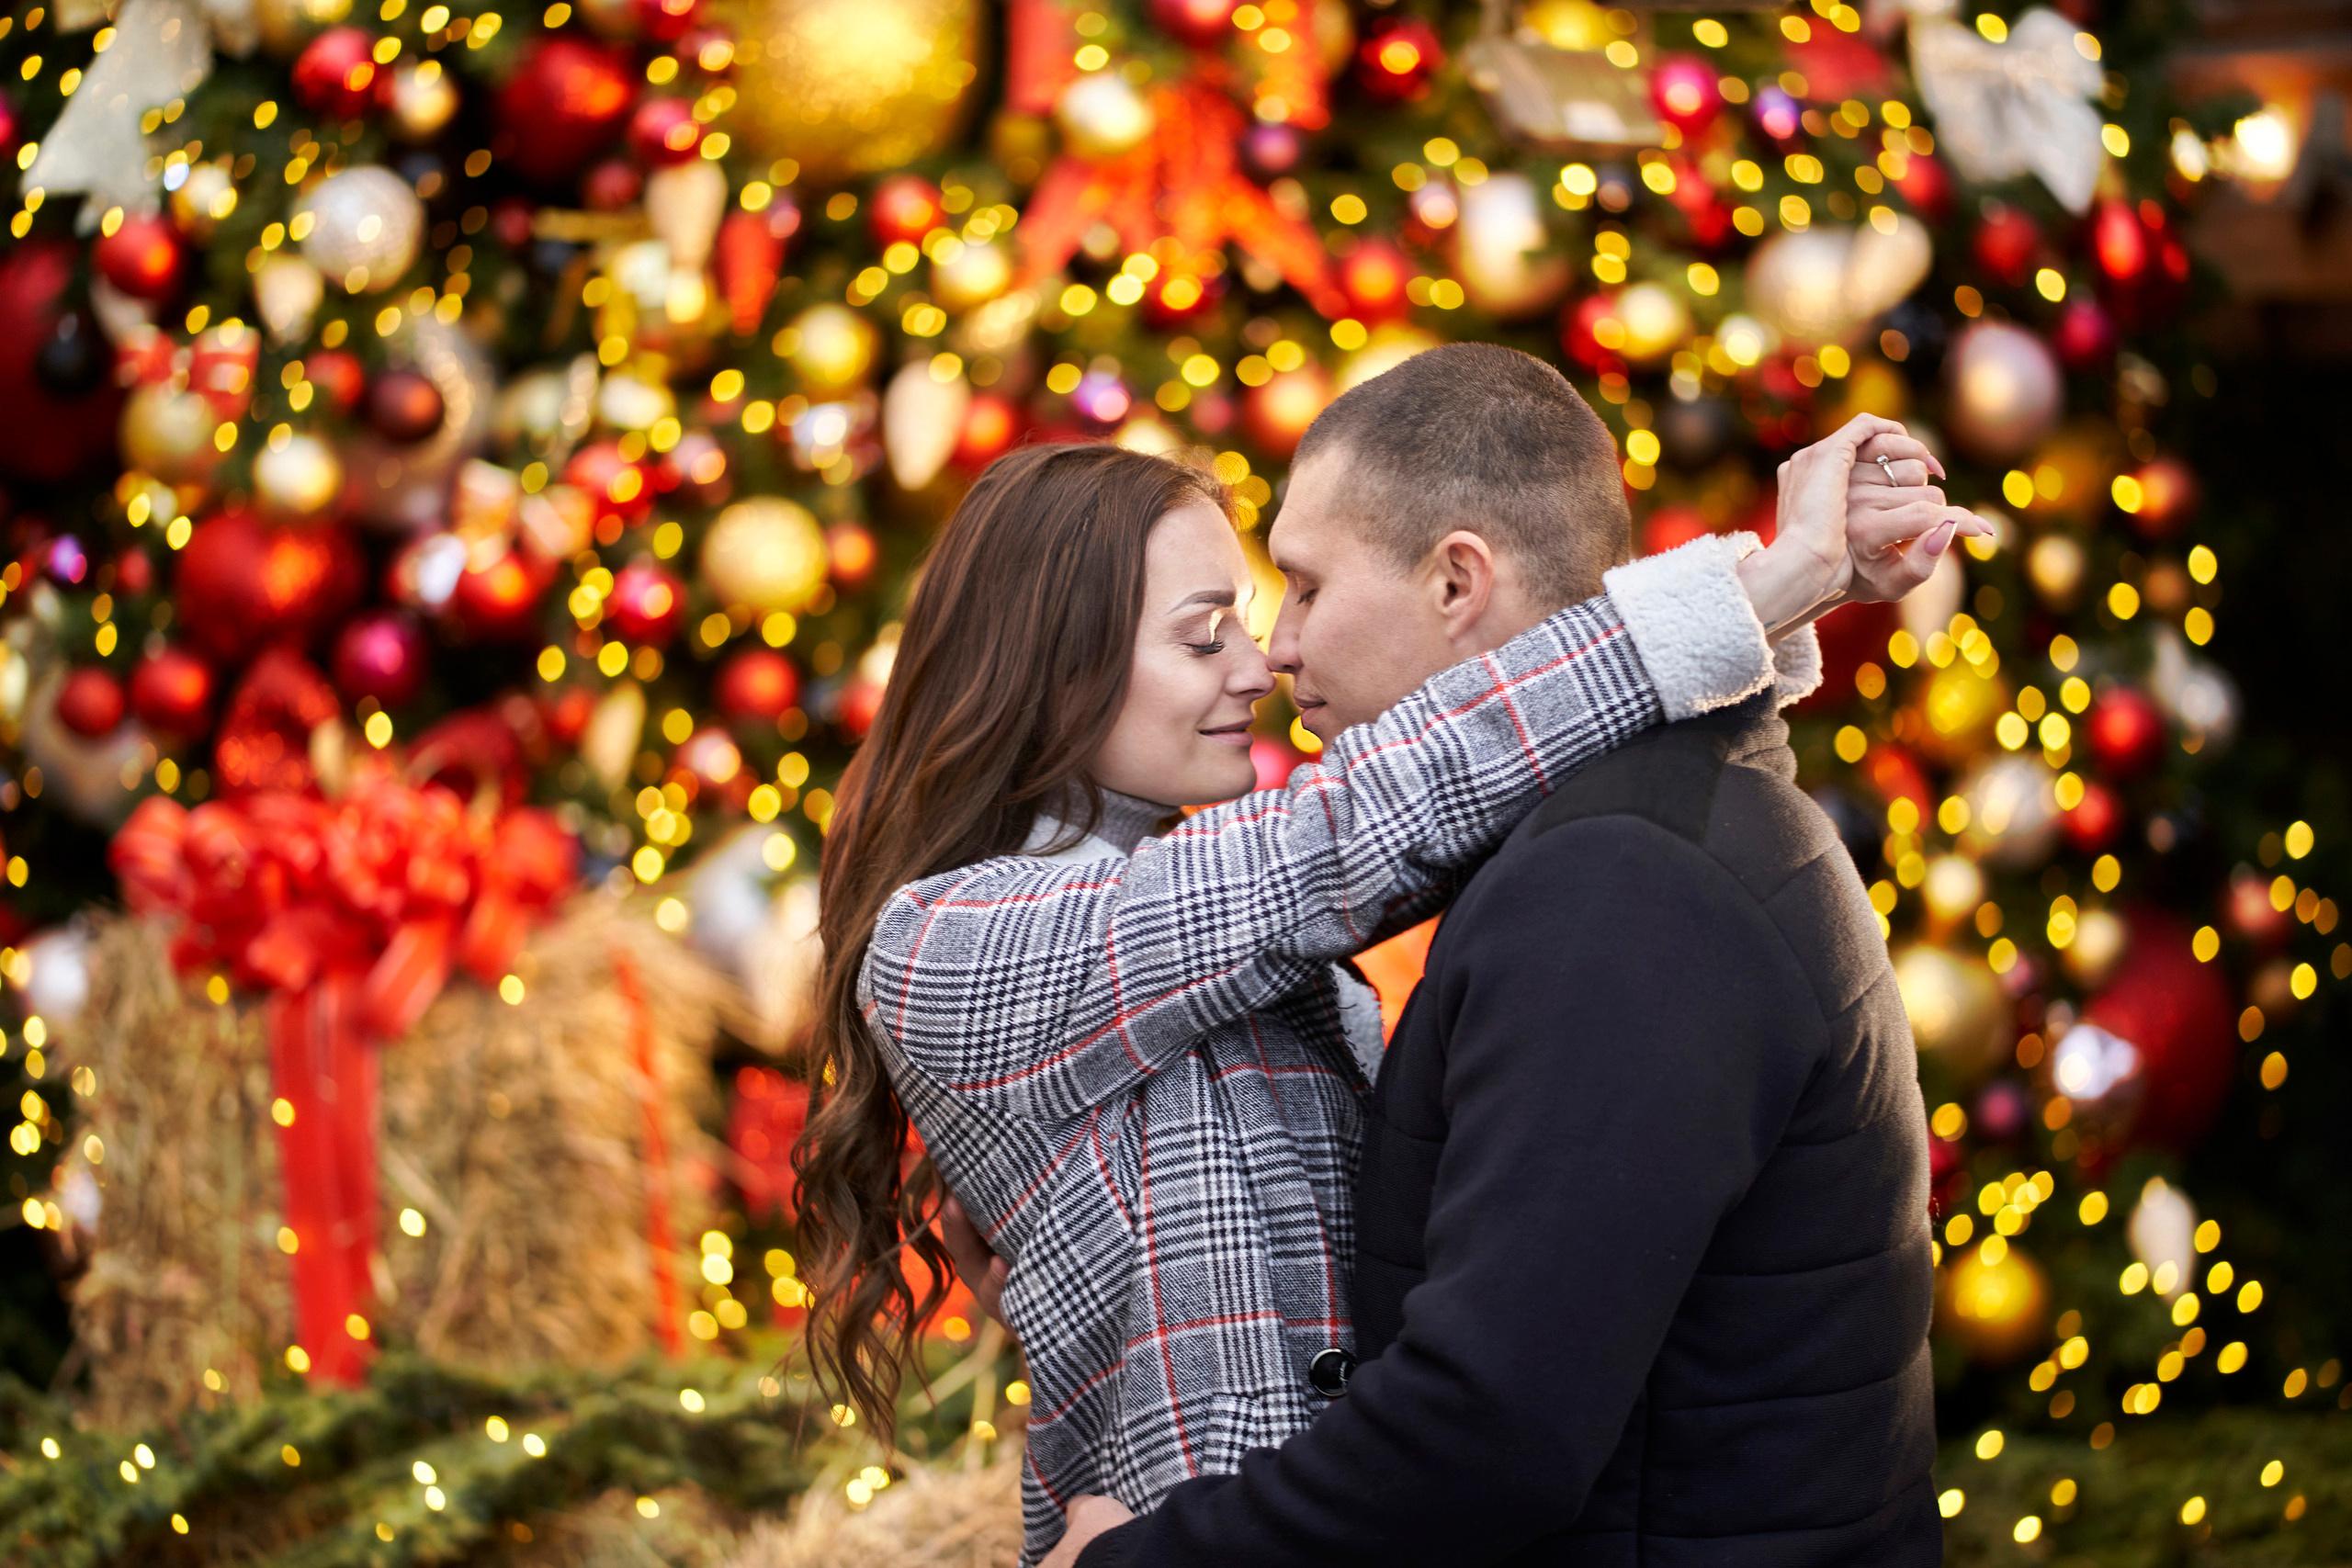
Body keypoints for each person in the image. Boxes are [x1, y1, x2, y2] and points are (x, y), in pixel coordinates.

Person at [799, 344, 1969, 1567]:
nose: (1261, 664)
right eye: (1205, 635)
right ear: (1051, 670)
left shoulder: (1565, 880)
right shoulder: (950, 944)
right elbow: (1360, 825)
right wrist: (1763, 588)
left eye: (1279, 604)